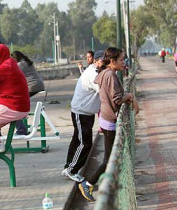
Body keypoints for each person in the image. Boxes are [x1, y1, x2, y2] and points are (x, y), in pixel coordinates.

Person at [78, 47, 139, 202]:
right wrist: (130, 96)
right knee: (109, 159)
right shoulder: (110, 75)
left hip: (105, 118)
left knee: (111, 157)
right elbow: (117, 99)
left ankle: (108, 183)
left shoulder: (105, 72)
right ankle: (88, 183)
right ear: (112, 61)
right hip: (109, 120)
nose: (124, 62)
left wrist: (128, 97)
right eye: (121, 59)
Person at [61, 50, 104, 182]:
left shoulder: (95, 71)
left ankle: (69, 167)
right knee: (85, 143)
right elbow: (104, 90)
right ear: (96, 61)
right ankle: (72, 170)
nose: (105, 62)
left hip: (86, 112)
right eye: (103, 60)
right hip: (81, 112)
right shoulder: (92, 74)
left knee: (77, 141)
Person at [11, 51, 45, 135]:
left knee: (13, 106)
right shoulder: (27, 62)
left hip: (32, 87)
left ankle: (21, 129)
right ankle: (22, 116)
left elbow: (11, 74)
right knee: (18, 103)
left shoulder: (20, 65)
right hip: (39, 85)